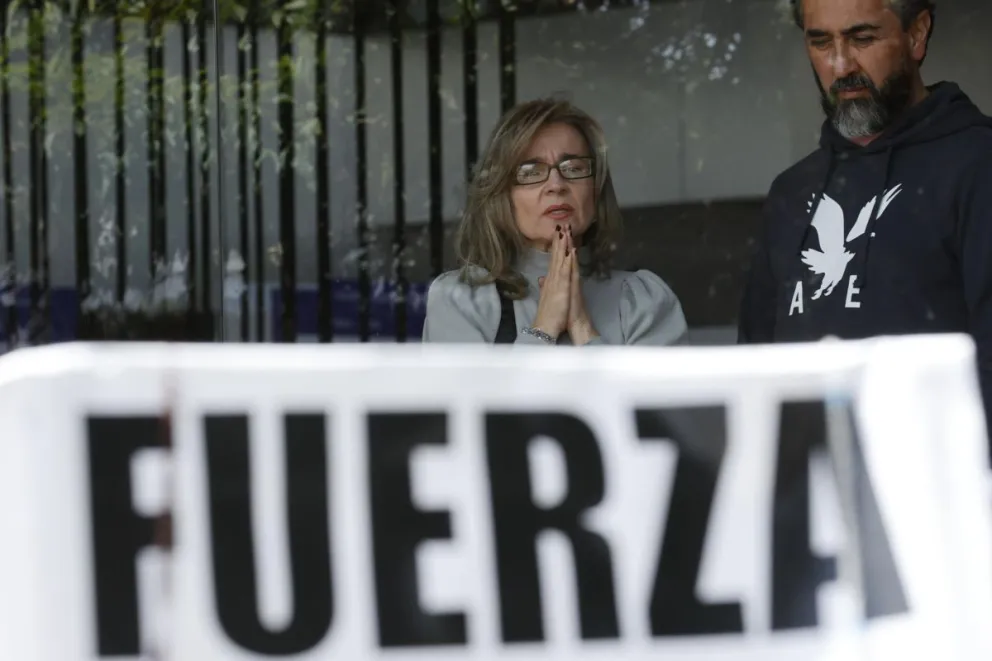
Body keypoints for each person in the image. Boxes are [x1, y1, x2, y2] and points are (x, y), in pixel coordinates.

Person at [738, 0, 992, 433]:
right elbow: (755, 366)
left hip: (942, 489)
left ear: (917, 34)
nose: (840, 65)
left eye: (862, 38)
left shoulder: (978, 163)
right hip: (808, 490)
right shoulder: (790, 191)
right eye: (820, 42)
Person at [422, 97, 687, 346]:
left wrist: (583, 328)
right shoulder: (462, 300)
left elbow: (649, 397)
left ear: (595, 192)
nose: (556, 185)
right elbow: (473, 397)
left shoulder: (642, 301)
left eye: (573, 168)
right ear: (503, 196)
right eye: (531, 172)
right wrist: (543, 328)